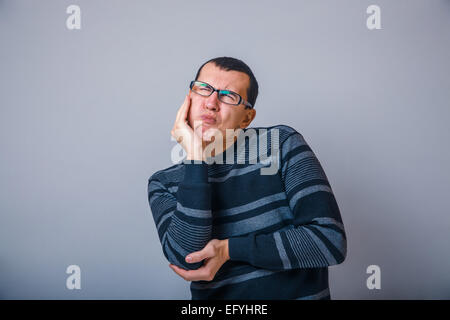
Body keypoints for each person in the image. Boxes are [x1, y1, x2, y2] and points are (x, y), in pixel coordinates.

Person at [147, 56, 347, 300]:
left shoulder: (279, 145)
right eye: (203, 89)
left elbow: (328, 241)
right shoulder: (164, 183)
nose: (211, 103)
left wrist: (229, 250)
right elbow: (187, 259)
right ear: (188, 97)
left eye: (228, 96)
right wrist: (196, 158)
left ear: (246, 118)